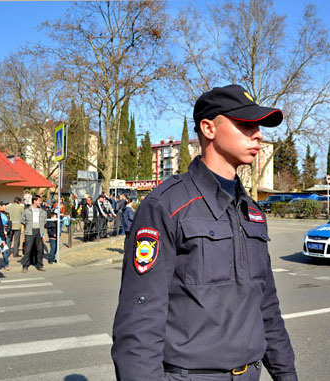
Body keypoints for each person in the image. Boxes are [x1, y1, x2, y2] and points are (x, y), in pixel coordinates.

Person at [112, 84, 297, 380]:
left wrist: (287, 375)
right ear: (208, 128)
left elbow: (267, 307)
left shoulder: (252, 213)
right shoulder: (166, 205)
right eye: (245, 124)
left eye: (258, 126)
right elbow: (140, 319)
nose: (258, 133)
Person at [21, 195, 47, 273]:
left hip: (39, 231)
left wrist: (42, 233)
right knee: (28, 250)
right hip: (30, 232)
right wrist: (28, 227)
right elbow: (23, 220)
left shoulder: (43, 211)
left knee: (40, 249)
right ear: (34, 201)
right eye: (39, 201)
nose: (40, 202)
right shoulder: (27, 211)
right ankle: (25, 265)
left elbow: (44, 221)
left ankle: (39, 265)